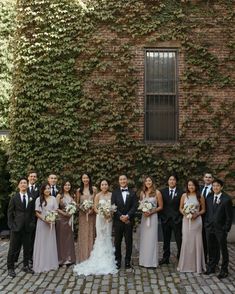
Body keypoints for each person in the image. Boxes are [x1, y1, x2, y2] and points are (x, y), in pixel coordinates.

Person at [73, 179, 118, 275]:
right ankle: (99, 258)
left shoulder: (112, 195)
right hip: (100, 219)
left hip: (108, 219)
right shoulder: (97, 195)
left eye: (106, 184)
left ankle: (108, 260)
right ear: (100, 186)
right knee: (100, 237)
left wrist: (109, 213)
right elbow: (95, 208)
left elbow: (114, 206)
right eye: (102, 184)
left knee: (107, 236)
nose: (104, 186)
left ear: (108, 185)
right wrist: (102, 213)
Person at [204, 179, 233, 279]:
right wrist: (207, 224)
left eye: (217, 186)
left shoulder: (226, 199)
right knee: (211, 247)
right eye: (214, 186)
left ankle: (224, 270)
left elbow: (229, 217)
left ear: (221, 187)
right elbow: (207, 212)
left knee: (223, 249)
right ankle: (212, 266)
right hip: (209, 228)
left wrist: (225, 229)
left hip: (221, 229)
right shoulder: (209, 197)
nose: (215, 188)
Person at [7, 178, 35, 277]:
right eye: (21, 183)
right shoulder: (14, 198)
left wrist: (32, 224)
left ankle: (26, 265)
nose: (23, 184)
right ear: (18, 185)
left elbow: (32, 213)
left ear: (27, 185)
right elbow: (10, 213)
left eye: (25, 183)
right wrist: (11, 226)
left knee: (27, 248)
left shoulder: (31, 197)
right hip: (16, 227)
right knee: (13, 248)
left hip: (27, 228)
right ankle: (10, 268)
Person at [177, 179, 206, 273]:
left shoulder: (200, 196)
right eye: (189, 185)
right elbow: (180, 208)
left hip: (197, 222)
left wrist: (197, 214)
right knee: (186, 241)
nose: (191, 187)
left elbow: (203, 210)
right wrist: (185, 213)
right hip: (186, 221)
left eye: (193, 185)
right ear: (187, 186)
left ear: (196, 186)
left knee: (196, 242)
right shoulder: (184, 196)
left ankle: (197, 266)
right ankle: (185, 265)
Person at [111, 174, 137, 269]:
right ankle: (118, 260)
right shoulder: (115, 193)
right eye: (121, 179)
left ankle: (127, 261)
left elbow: (134, 206)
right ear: (119, 181)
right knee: (117, 242)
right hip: (118, 221)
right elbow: (113, 206)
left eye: (124, 179)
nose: (122, 181)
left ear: (127, 180)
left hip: (128, 221)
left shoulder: (132, 192)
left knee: (128, 241)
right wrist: (120, 216)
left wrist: (128, 216)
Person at [33, 183, 59, 273]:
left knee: (50, 242)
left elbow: (56, 211)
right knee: (42, 242)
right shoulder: (38, 199)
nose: (47, 190)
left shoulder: (53, 199)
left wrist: (52, 218)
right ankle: (42, 263)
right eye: (46, 188)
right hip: (42, 224)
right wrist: (45, 219)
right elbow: (37, 213)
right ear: (42, 190)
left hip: (51, 224)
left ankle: (51, 263)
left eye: (49, 188)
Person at [139, 176, 163, 268]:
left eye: (149, 180)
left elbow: (160, 206)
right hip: (144, 217)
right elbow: (141, 205)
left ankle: (152, 262)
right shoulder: (142, 193)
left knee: (152, 238)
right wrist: (144, 211)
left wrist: (151, 211)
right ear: (144, 183)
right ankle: (143, 261)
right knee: (144, 238)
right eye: (146, 181)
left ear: (152, 182)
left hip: (153, 217)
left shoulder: (157, 193)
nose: (148, 182)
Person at [159, 174, 183, 265]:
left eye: (173, 180)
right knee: (166, 240)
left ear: (176, 181)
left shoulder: (181, 192)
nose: (172, 181)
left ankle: (180, 257)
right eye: (170, 179)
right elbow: (160, 205)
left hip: (177, 220)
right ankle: (165, 258)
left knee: (179, 239)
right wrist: (162, 216)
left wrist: (179, 217)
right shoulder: (162, 192)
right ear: (168, 181)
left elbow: (183, 206)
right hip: (165, 220)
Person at [76, 173, 97, 262]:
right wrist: (83, 209)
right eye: (84, 178)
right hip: (83, 216)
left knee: (92, 233)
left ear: (89, 179)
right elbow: (76, 203)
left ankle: (92, 256)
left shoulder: (94, 189)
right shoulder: (78, 190)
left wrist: (92, 209)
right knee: (84, 234)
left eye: (87, 178)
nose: (85, 180)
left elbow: (96, 202)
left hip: (92, 215)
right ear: (81, 179)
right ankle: (83, 256)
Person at [56, 180, 76, 266]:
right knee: (61, 239)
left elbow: (74, 206)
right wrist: (64, 213)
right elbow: (56, 208)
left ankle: (69, 258)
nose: (67, 186)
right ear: (63, 186)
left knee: (69, 239)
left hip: (69, 219)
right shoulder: (59, 196)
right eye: (66, 185)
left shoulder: (72, 195)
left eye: (69, 185)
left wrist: (71, 212)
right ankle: (61, 259)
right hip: (61, 220)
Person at [200, 172, 213, 264]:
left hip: (210, 218)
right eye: (206, 177)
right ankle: (203, 259)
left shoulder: (215, 189)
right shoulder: (200, 189)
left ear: (212, 179)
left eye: (209, 177)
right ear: (203, 178)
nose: (207, 179)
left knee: (210, 241)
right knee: (202, 239)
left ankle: (212, 261)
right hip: (199, 217)